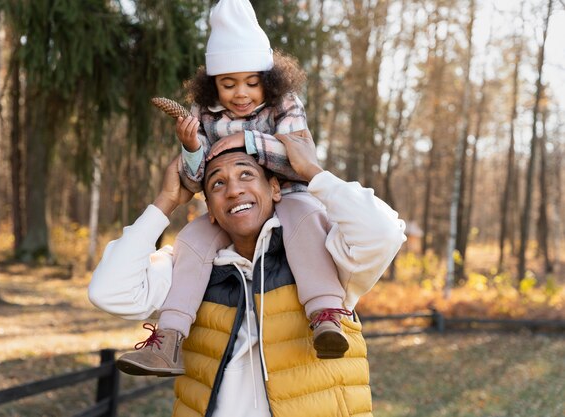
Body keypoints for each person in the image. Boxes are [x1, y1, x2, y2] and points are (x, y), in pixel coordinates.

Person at [89, 131, 406, 417]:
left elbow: (384, 232)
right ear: (210, 210)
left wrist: (312, 172)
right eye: (217, 183)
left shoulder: (327, 256)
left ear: (274, 188)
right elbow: (109, 292)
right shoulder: (187, 269)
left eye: (245, 174)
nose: (233, 190)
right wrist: (165, 202)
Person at [115, 0, 350, 376]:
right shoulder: (202, 114)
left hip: (286, 194)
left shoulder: (286, 104)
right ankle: (169, 339)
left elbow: (299, 160)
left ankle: (325, 317)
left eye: (252, 83)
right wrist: (192, 149)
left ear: (268, 80)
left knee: (307, 221)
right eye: (228, 84)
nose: (241, 93)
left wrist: (250, 141)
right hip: (227, 204)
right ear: (213, 85)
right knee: (192, 238)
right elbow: (195, 182)